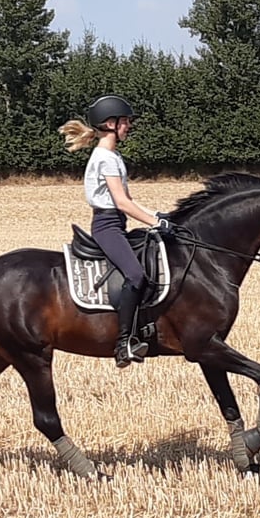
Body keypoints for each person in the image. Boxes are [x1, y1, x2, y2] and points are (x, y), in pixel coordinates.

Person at [58, 94, 173, 368]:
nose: (128, 126)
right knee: (135, 274)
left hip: (117, 223)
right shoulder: (106, 159)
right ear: (110, 124)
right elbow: (120, 203)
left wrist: (158, 216)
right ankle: (124, 342)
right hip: (107, 226)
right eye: (125, 121)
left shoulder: (113, 156)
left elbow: (128, 201)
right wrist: (154, 223)